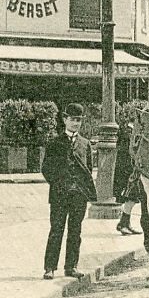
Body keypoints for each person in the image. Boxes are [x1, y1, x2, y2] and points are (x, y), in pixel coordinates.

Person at [42, 103, 97, 280]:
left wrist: (82, 189)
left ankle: (71, 266)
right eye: (72, 119)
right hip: (59, 195)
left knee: (75, 231)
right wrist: (58, 183)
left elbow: (88, 168)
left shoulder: (85, 144)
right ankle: (50, 268)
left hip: (78, 196)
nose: (75, 123)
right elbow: (46, 168)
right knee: (56, 230)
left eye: (79, 120)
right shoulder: (54, 143)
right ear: (65, 119)